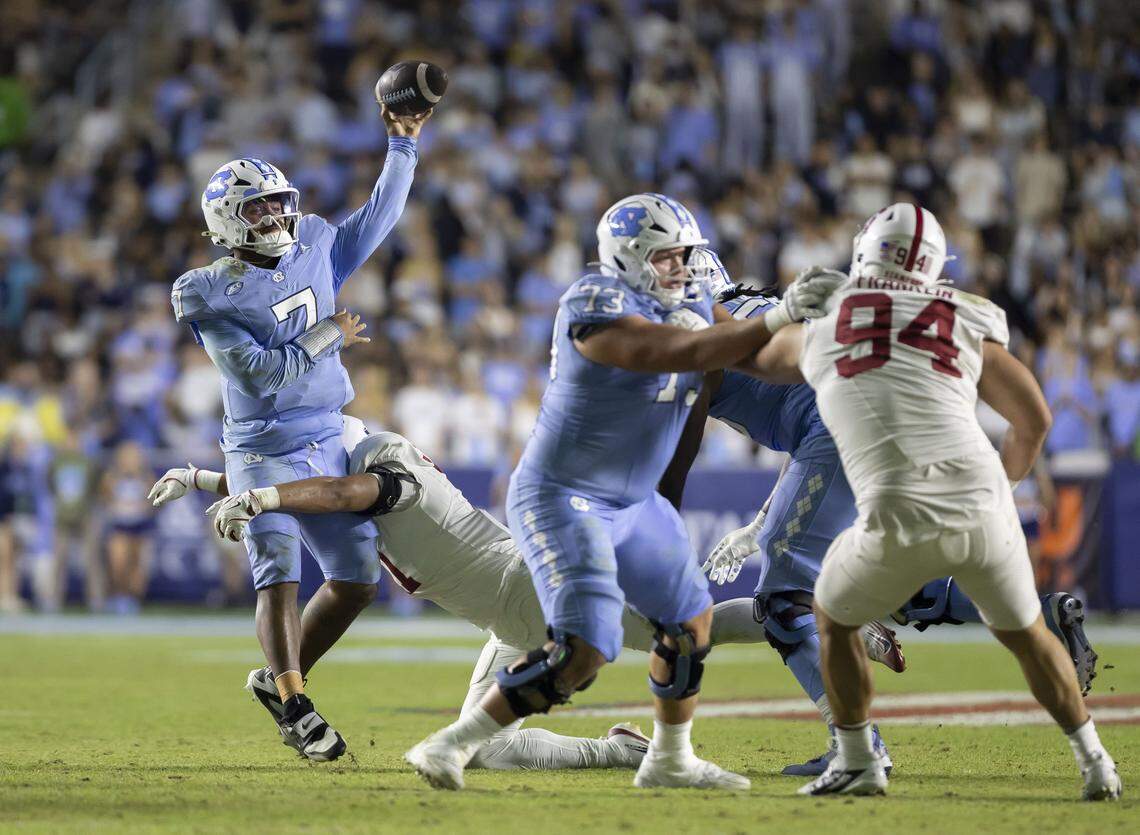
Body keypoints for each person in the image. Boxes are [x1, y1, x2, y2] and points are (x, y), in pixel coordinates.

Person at [401, 193, 845, 791]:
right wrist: (770, 317)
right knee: (585, 650)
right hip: (566, 494)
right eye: (668, 257)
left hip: (634, 501)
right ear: (629, 258)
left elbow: (764, 357)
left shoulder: (691, 305)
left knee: (690, 623)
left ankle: (669, 758)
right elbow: (657, 350)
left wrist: (829, 344)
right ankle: (451, 744)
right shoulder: (593, 302)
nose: (683, 269)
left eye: (688, 255)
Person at [678, 248, 1099, 777]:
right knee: (884, 576)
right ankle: (1045, 620)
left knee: (784, 599)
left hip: (835, 429)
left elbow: (785, 415)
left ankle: (855, 744)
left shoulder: (704, 325)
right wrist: (763, 522)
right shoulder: (760, 306)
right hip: (875, 421)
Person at [160, 100, 429, 762]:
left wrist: (402, 146)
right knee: (277, 570)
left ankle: (280, 681)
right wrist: (326, 333)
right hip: (261, 446)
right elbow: (256, 375)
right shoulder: (209, 290)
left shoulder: (311, 240)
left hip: (326, 434)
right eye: (258, 209)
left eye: (279, 203)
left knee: (357, 581)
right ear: (228, 221)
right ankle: (297, 705)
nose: (276, 217)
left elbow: (376, 219)